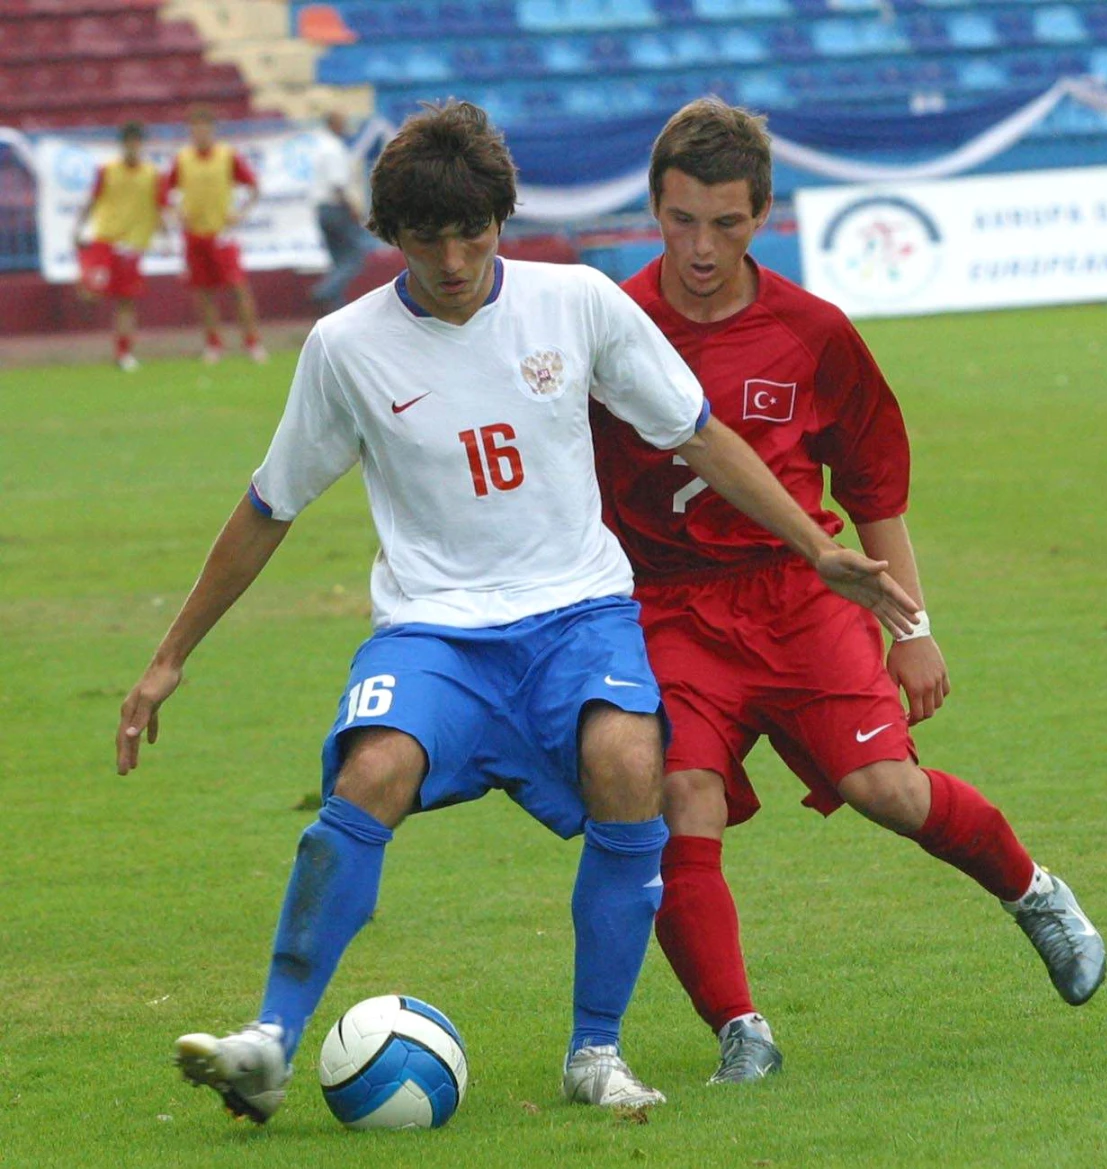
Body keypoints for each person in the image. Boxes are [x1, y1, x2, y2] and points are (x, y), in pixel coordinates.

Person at [114, 100, 918, 1123]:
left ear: (503, 218)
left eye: (473, 232)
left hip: (577, 611)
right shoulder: (345, 346)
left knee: (632, 763)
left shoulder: (574, 302)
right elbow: (269, 504)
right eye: (425, 238)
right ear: (391, 239)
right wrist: (168, 656)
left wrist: (818, 546)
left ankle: (597, 1048)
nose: (453, 259)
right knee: (373, 770)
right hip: (435, 627)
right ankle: (269, 1040)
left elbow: (699, 433)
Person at [591, 97, 1107, 1086]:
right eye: (682, 219)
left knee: (888, 788)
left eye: (728, 223)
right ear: (651, 209)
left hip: (800, 595)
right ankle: (741, 1029)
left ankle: (1033, 890)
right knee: (677, 794)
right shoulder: (611, 328)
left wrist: (911, 626)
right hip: (668, 608)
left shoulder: (813, 331)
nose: (702, 246)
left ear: (765, 216)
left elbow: (873, 490)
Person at [162, 106, 267, 364]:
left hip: (222, 233)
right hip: (194, 235)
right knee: (203, 292)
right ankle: (214, 344)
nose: (200, 134)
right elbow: (165, 191)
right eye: (195, 129)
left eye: (204, 128)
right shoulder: (183, 158)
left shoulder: (227, 156)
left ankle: (252, 342)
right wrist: (177, 211)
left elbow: (253, 186)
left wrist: (239, 213)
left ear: (212, 130)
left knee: (237, 288)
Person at [73, 121, 161, 371]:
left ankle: (124, 353)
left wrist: (165, 233)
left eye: (137, 142)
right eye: (128, 143)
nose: (132, 147)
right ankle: (83, 277)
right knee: (90, 293)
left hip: (131, 245)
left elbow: (159, 205)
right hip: (105, 240)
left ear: (141, 145)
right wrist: (78, 229)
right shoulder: (107, 170)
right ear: (122, 145)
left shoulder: (152, 174)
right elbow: (92, 200)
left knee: (126, 301)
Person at [309, 110, 370, 313]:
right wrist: (353, 209)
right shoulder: (333, 148)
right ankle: (324, 291)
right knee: (354, 258)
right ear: (333, 124)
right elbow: (338, 184)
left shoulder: (319, 147)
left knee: (338, 261)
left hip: (321, 209)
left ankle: (335, 310)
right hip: (336, 208)